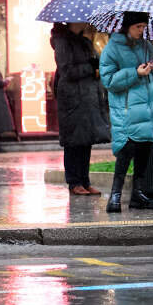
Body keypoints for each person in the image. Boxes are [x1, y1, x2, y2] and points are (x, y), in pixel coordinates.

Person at [100, 11, 153, 213]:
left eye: (143, 26)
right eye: (137, 27)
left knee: (145, 150)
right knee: (125, 151)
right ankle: (115, 196)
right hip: (127, 109)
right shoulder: (111, 49)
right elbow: (109, 81)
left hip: (148, 110)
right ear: (127, 26)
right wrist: (135, 73)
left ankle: (137, 194)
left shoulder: (147, 46)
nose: (141, 30)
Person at [51, 23, 111, 196]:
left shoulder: (85, 41)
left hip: (87, 98)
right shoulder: (62, 42)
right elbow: (67, 71)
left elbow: (97, 62)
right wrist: (90, 68)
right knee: (73, 141)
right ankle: (74, 182)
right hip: (72, 99)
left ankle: (85, 181)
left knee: (86, 140)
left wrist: (97, 63)